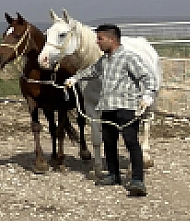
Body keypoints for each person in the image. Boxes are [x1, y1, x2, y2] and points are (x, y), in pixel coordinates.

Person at [66, 23, 157, 195]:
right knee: (109, 142)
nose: (97, 43)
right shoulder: (104, 60)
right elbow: (92, 71)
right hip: (107, 107)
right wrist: (75, 78)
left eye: (100, 39)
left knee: (131, 142)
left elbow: (147, 77)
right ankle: (114, 175)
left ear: (111, 39)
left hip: (127, 107)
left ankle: (138, 180)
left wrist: (148, 95)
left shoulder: (129, 57)